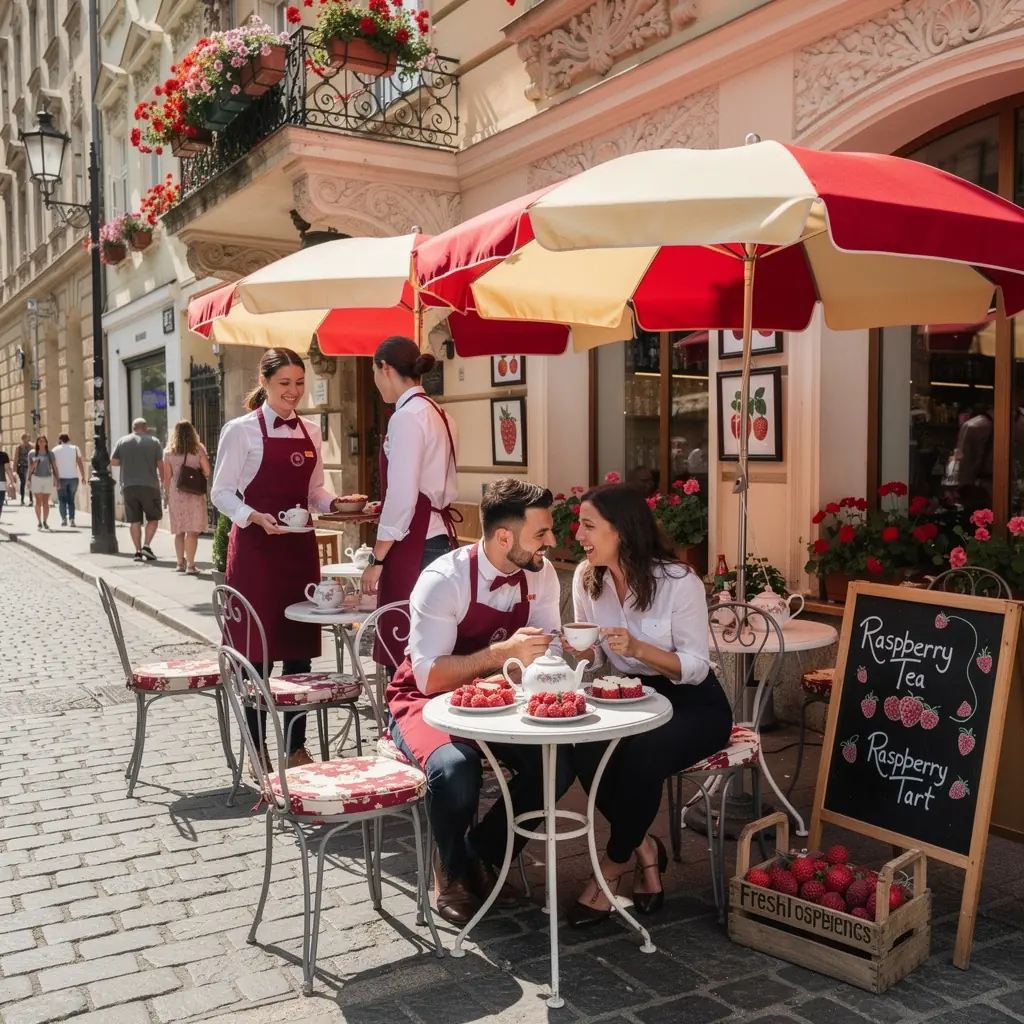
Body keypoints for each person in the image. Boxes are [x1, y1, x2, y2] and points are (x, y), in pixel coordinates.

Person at [387, 479, 574, 925]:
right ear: (504, 537)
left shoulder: (541, 573)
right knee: (455, 769)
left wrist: (556, 664)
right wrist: (499, 654)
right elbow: (429, 675)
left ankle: (483, 852)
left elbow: (548, 649)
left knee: (559, 764)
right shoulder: (443, 580)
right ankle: (450, 868)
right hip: (426, 699)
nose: (551, 542)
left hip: (505, 698)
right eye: (541, 533)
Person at [564, 483, 732, 928]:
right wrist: (584, 654)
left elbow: (696, 666)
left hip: (694, 703)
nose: (578, 535)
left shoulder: (679, 583)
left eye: (587, 525)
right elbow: (599, 658)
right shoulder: (587, 578)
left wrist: (640, 647)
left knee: (640, 755)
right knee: (584, 748)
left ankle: (612, 866)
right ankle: (644, 848)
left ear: (622, 530)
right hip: (629, 696)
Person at [212, 347, 353, 771]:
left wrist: (336, 504)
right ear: (265, 383)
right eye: (283, 384)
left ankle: (295, 748)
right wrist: (250, 516)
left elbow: (314, 491)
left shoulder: (311, 430)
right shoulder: (240, 430)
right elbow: (220, 492)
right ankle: (256, 752)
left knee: (299, 655)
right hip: (256, 553)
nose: (293, 392)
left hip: (297, 551)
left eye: (298, 383)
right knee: (256, 655)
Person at [361, 337, 460, 667]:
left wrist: (376, 560)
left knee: (405, 651)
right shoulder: (441, 414)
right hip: (439, 537)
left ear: (385, 368)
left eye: (374, 372)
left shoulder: (406, 417)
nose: (374, 382)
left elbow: (402, 498)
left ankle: (398, 720)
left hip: (413, 543)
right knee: (430, 647)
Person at [110, 418, 165, 563]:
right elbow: (160, 464)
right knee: (153, 518)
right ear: (145, 427)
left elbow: (113, 461)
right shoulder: (154, 442)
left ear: (133, 428)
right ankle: (147, 545)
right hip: (150, 485)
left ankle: (137, 551)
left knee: (134, 520)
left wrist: (128, 461)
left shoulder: (123, 441)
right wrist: (164, 481)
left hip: (128, 486)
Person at [162, 420, 211, 576]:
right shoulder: (198, 449)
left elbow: (167, 477)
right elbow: (208, 471)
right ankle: (191, 565)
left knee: (179, 531)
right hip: (194, 494)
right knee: (192, 531)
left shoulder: (169, 452)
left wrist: (166, 495)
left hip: (176, 493)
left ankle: (179, 563)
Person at [52, 433, 86, 528]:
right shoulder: (75, 448)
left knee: (62, 499)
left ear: (60, 440)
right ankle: (72, 519)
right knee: (71, 500)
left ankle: (63, 519)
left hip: (61, 478)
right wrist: (83, 476)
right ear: (68, 439)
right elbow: (80, 463)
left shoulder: (55, 450)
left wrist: (54, 479)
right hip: (73, 478)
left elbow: (53, 466)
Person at [27, 436, 58, 530]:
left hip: (47, 478)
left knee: (46, 502)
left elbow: (54, 467)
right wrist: (28, 479)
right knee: (38, 501)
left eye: (43, 441)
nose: (41, 443)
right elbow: (30, 468)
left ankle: (45, 521)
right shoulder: (32, 453)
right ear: (37, 443)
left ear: (46, 443)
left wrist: (57, 479)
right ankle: (39, 521)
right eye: (40, 441)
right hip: (36, 478)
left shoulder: (50, 453)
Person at [14, 434, 31, 505]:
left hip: (29, 466)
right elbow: (16, 458)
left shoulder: (31, 447)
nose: (27, 439)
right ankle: (22, 499)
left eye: (28, 438)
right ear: (23, 439)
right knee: (23, 482)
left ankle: (31, 499)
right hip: (21, 467)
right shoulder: (19, 447)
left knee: (30, 482)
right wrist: (14, 468)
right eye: (26, 438)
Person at [0, 441, 14, 520]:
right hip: (1, 482)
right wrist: (12, 481)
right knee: (0, 501)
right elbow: (7, 469)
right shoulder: (4, 455)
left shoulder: (4, 455)